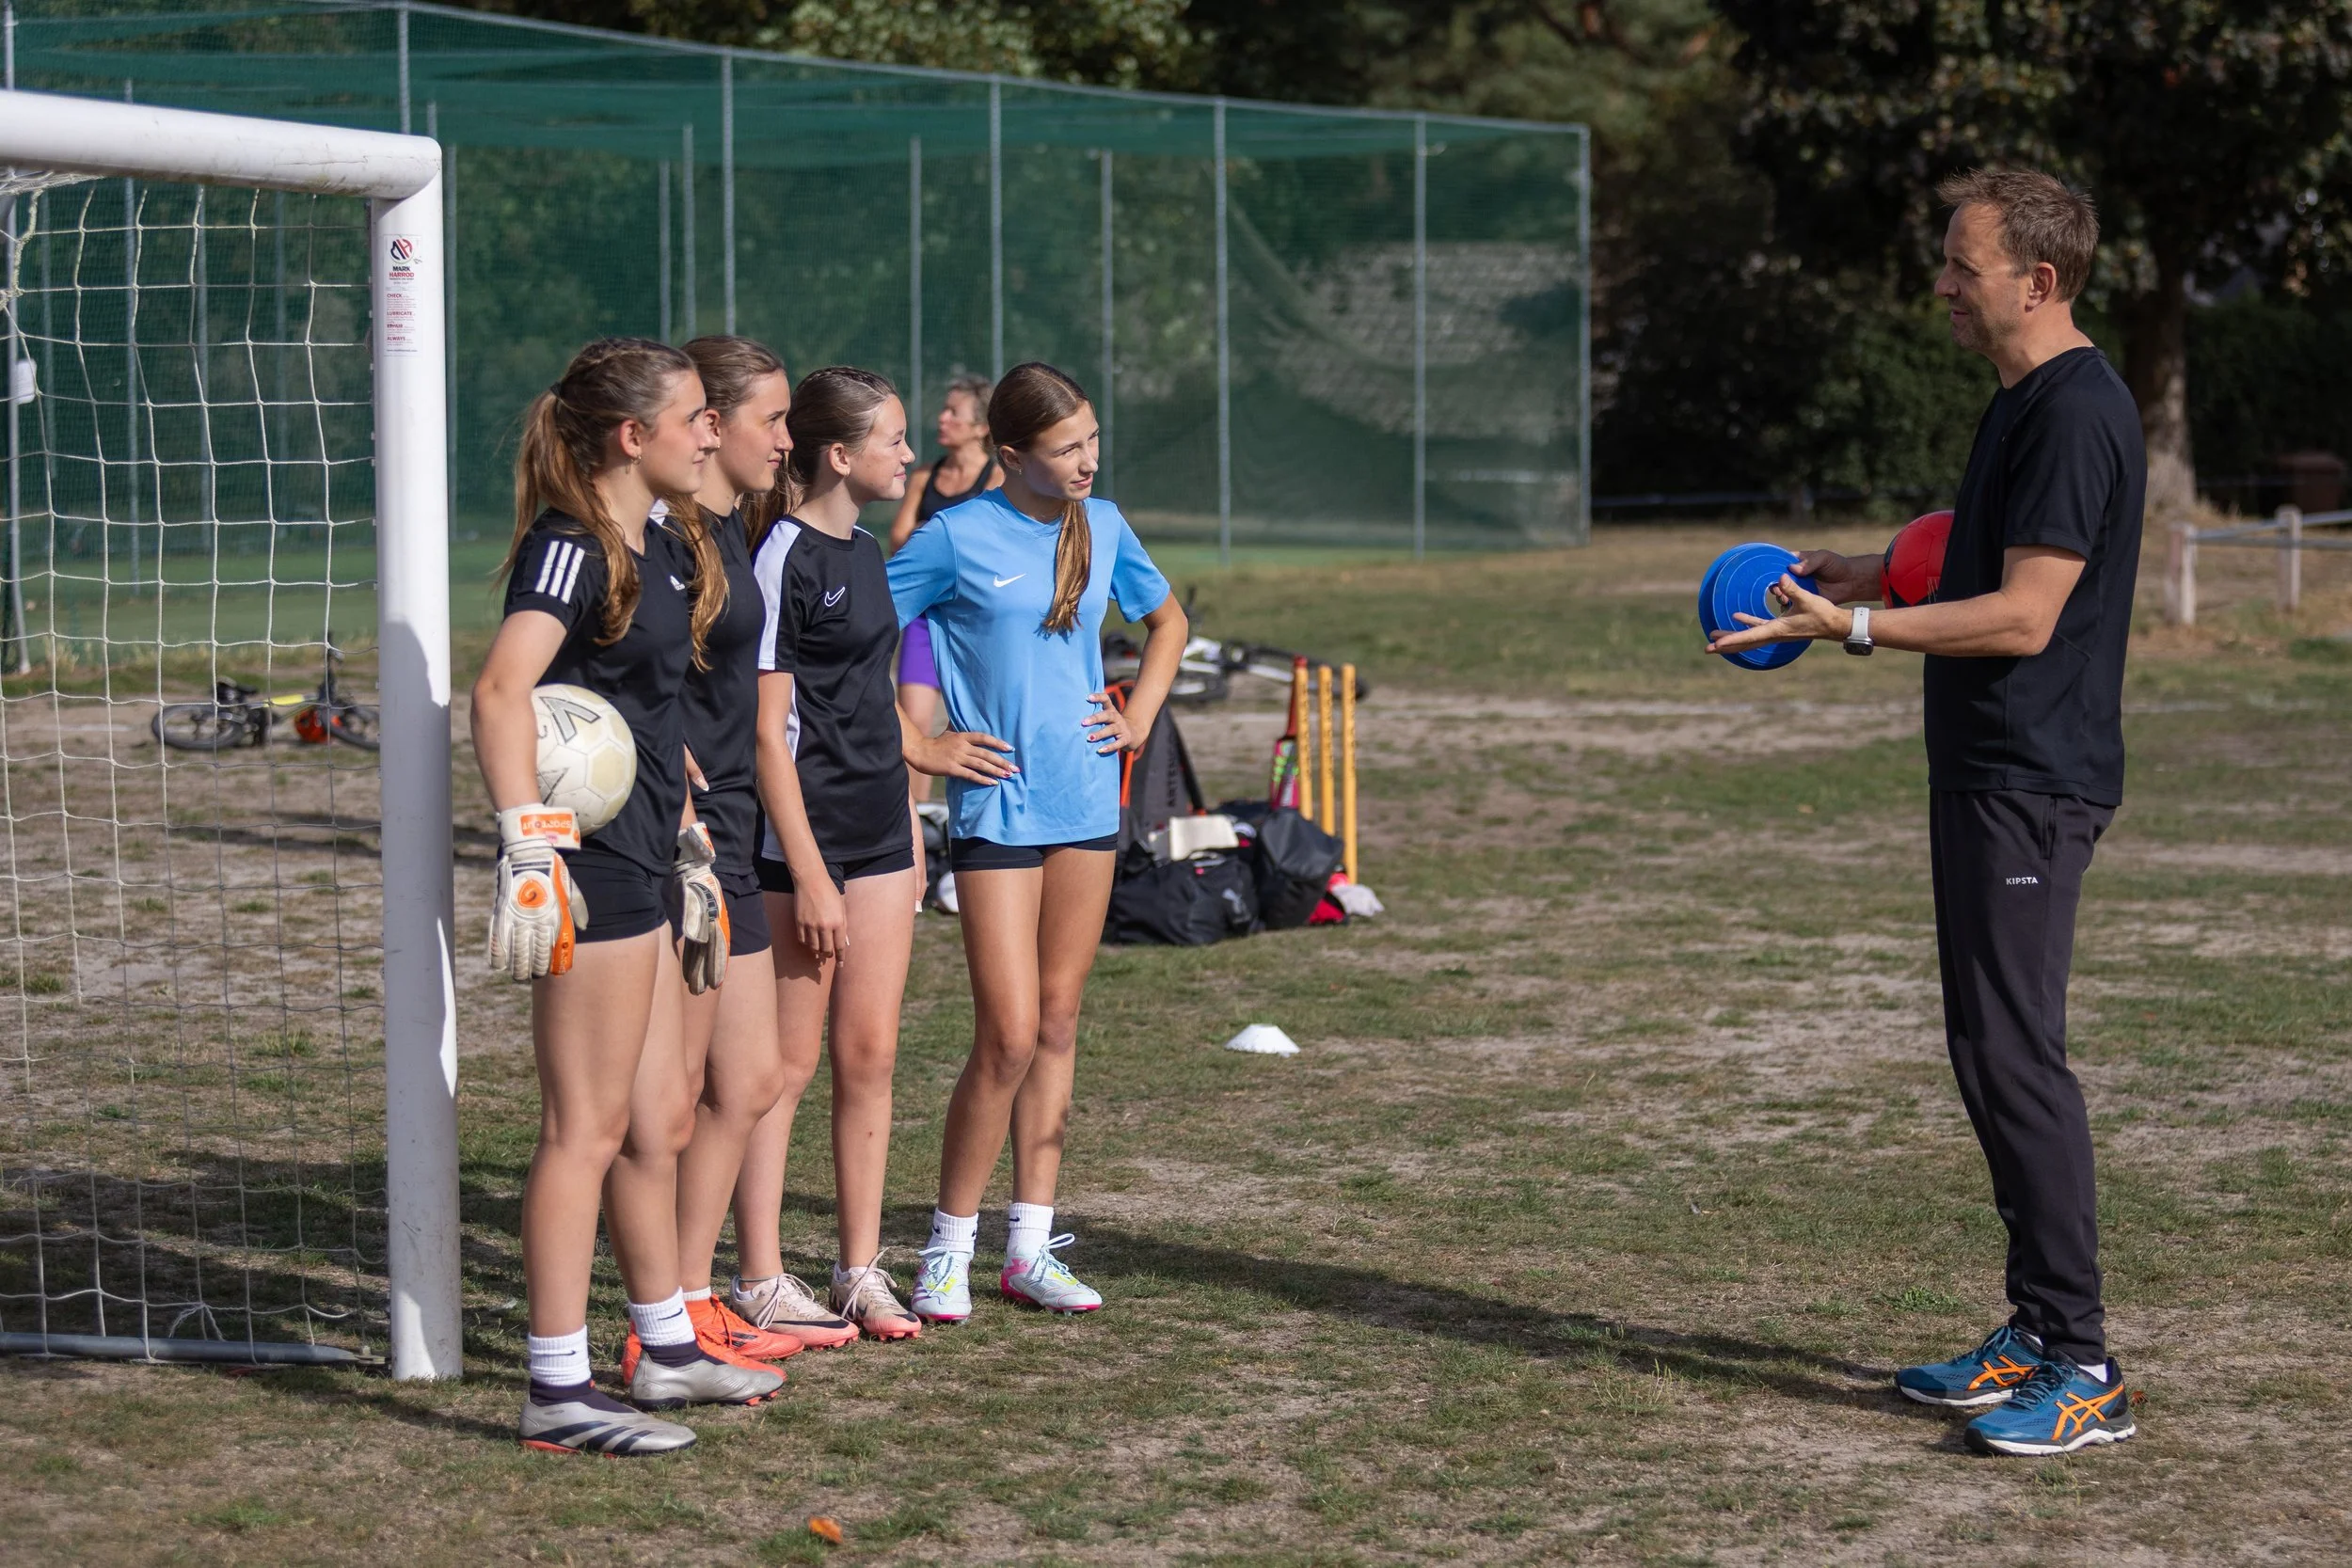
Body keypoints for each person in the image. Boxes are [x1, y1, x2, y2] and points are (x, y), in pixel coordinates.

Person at [1706, 168, 2143, 1458]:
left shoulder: (2076, 409)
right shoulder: (2022, 402)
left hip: (2034, 773)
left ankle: (2086, 1361)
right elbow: (1980, 552)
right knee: (1983, 1048)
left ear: (2038, 280)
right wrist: (1867, 565)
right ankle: (2033, 1327)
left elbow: (2025, 611)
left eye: (1963, 264)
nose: (1943, 285)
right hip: (1986, 766)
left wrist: (1850, 624)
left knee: (2017, 1055)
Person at [472, 337, 784, 1457]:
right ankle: (555, 1383)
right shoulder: (571, 547)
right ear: (629, 435)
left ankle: (662, 1343)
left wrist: (684, 810)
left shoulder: (655, 542)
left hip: (658, 859)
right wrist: (528, 843)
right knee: (585, 1129)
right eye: (698, 414)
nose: (713, 430)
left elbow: (633, 708)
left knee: (653, 1120)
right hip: (591, 871)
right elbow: (505, 689)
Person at [887, 361, 1187, 1323]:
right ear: (1011, 455)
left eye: (1092, 440)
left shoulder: (1104, 526)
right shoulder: (955, 535)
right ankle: (946, 1246)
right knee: (1006, 1033)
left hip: (1087, 804)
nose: (1086, 461)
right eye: (1065, 448)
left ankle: (1029, 1247)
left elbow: (1168, 618)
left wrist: (1137, 712)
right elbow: (849, 633)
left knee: (1058, 1025)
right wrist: (920, 744)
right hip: (997, 811)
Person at [727, 367, 1004, 1340]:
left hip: (885, 832)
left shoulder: (868, 557)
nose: (907, 453)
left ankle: (857, 1269)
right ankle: (757, 1275)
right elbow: (767, 733)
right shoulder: (781, 555)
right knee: (783, 1064)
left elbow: (867, 697)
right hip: (805, 841)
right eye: (890, 438)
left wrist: (910, 805)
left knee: (872, 1053)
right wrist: (804, 868)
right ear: (838, 454)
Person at [642, 334, 827, 1363]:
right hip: (679, 847)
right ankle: (665, 1305)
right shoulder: (659, 538)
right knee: (668, 1097)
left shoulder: (725, 531)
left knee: (751, 1077)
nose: (787, 439)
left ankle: (694, 1291)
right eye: (772, 418)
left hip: (734, 838)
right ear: (709, 423)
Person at [887, 373, 1001, 903]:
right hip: (922, 621)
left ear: (981, 427)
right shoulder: (925, 476)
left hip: (971, 626)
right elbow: (900, 540)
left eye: (955, 413)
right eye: (945, 411)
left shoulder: (999, 477)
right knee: (915, 733)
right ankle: (916, 853)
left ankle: (969, 851)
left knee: (976, 729)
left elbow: (993, 550)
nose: (943, 420)